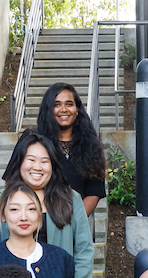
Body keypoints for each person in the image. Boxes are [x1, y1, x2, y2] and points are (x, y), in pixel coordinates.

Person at [0, 130, 94, 278]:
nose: (38, 167)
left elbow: (84, 249)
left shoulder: (70, 199)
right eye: (31, 160)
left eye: (45, 161)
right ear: (19, 162)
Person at [36, 83, 107, 219]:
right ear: (48, 109)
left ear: (77, 109)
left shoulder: (90, 146)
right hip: (38, 223)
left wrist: (74, 223)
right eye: (56, 104)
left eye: (69, 104)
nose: (63, 109)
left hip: (74, 224)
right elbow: (15, 181)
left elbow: (94, 192)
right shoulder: (33, 142)